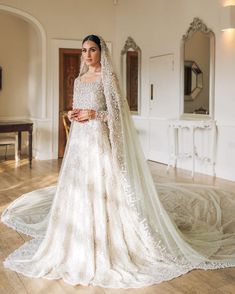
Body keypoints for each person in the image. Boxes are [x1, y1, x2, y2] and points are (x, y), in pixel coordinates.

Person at [2, 34, 235, 289]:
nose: (87, 55)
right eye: (84, 51)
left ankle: (111, 236)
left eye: (92, 50)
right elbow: (77, 106)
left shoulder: (107, 77)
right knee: (78, 188)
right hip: (80, 143)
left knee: (105, 187)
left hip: (99, 140)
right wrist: (73, 113)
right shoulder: (79, 80)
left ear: (101, 52)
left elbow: (118, 113)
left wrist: (94, 114)